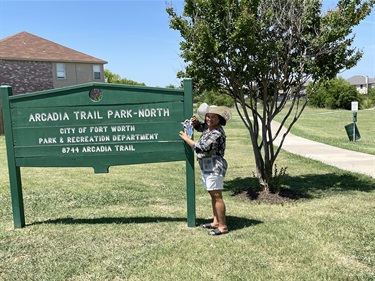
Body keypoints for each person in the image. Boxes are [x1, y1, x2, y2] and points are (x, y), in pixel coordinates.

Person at [179, 103, 231, 235]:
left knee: (217, 196)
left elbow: (201, 147)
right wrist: (196, 124)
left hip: (214, 167)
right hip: (207, 166)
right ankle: (215, 222)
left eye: (213, 117)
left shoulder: (217, 133)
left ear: (220, 120)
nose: (209, 119)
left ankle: (223, 226)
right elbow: (201, 127)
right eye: (208, 116)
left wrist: (186, 138)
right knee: (213, 195)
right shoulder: (208, 129)